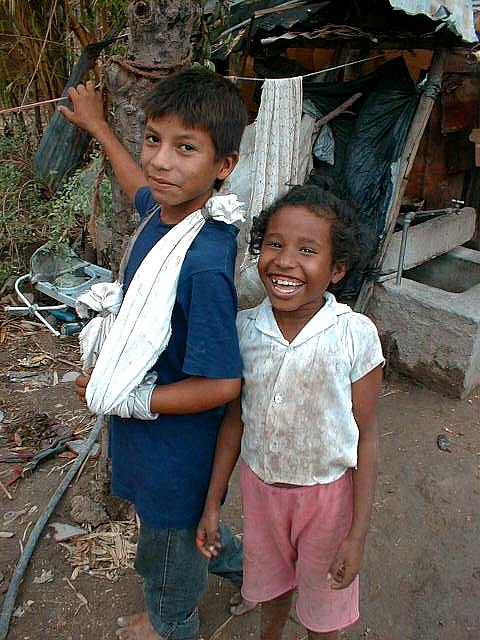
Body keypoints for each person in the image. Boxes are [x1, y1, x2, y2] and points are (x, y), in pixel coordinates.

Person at [58, 68, 254, 640]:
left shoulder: (203, 263)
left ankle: (172, 622)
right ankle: (252, 572)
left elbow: (223, 384)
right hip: (156, 442)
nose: (160, 162)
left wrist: (130, 397)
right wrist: (99, 127)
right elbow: (135, 186)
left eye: (185, 148)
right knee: (183, 529)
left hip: (175, 450)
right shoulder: (165, 215)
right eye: (153, 140)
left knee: (167, 545)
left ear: (224, 165)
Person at [196, 184, 385, 640]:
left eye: (307, 250)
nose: (284, 261)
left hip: (327, 501)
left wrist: (356, 535)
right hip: (260, 493)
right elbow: (234, 423)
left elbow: (367, 437)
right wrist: (212, 503)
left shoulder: (354, 335)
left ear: (337, 269)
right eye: (274, 244)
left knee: (324, 606)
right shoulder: (243, 330)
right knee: (272, 587)